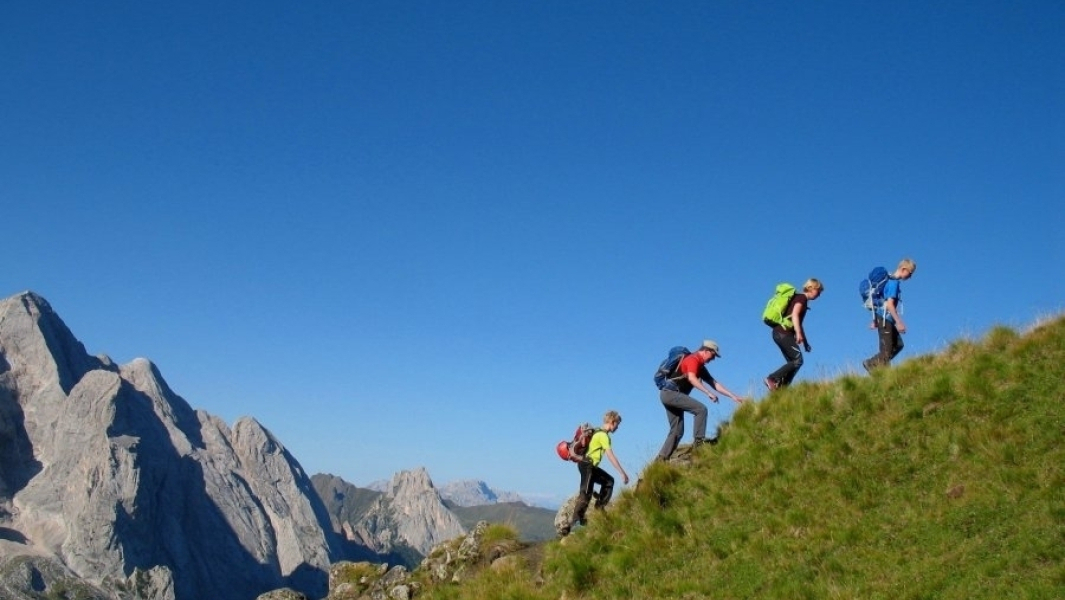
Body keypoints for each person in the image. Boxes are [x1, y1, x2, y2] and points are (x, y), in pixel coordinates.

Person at [655, 340, 745, 461]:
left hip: (667, 395)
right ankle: (699, 445)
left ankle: (661, 460)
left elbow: (714, 383)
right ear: (706, 351)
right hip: (671, 394)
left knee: (677, 430)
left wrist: (733, 396)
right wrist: (708, 393)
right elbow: (692, 378)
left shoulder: (700, 367)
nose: (712, 359)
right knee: (701, 410)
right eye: (712, 356)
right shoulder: (693, 359)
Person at [560, 410, 629, 537]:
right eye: (617, 424)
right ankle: (575, 524)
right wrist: (622, 473)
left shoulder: (596, 431)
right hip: (587, 465)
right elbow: (610, 455)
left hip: (587, 465)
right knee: (585, 492)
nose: (617, 428)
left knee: (608, 481)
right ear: (612, 422)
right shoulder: (603, 436)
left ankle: (598, 509)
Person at [765, 278, 824, 390]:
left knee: (794, 363)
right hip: (783, 332)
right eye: (819, 291)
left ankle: (781, 390)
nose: (819, 294)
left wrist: (805, 342)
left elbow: (799, 323)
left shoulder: (801, 300)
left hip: (780, 333)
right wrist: (797, 332)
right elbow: (795, 314)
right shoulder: (802, 298)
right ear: (811, 288)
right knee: (798, 360)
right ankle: (772, 379)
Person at [863, 258, 917, 371]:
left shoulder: (889, 280)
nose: (910, 276)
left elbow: (880, 300)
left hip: (884, 318)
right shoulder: (893, 283)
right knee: (886, 351)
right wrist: (899, 322)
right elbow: (889, 305)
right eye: (910, 273)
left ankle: (881, 366)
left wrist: (874, 320)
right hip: (885, 319)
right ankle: (871, 364)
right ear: (904, 269)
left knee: (898, 345)